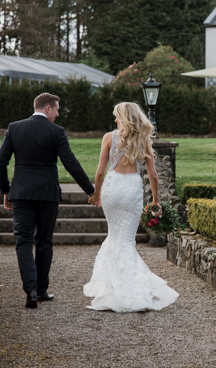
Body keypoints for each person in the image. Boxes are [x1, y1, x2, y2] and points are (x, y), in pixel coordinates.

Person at [0, 93, 95, 308]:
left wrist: (6, 190)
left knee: (22, 241)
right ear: (48, 108)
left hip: (20, 193)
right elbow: (71, 163)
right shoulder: (56, 131)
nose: (58, 114)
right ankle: (41, 290)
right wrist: (90, 190)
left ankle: (30, 291)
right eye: (57, 110)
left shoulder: (14, 127)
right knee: (44, 241)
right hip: (47, 194)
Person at [83, 102, 178, 312]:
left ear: (124, 118)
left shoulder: (109, 137)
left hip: (112, 188)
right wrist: (155, 201)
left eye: (117, 116)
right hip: (132, 189)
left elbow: (100, 172)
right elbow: (153, 175)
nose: (115, 120)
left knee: (114, 237)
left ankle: (113, 289)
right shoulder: (143, 139)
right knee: (126, 241)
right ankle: (130, 291)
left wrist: (96, 194)